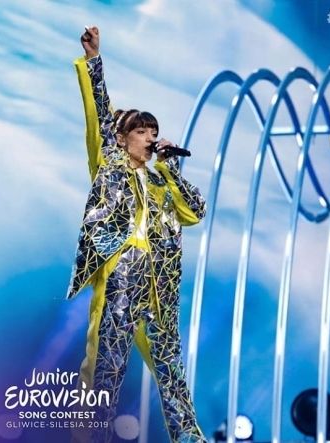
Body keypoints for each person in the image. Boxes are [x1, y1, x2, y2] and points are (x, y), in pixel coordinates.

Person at [67, 26, 207, 443]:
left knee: (171, 371)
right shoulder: (109, 166)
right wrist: (94, 61)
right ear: (122, 137)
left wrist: (169, 168)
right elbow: (99, 111)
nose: (150, 137)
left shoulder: (162, 181)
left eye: (153, 131)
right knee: (106, 367)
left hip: (158, 286)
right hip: (122, 276)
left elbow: (195, 212)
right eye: (142, 131)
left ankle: (190, 438)